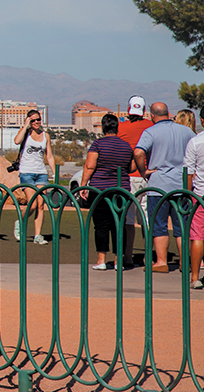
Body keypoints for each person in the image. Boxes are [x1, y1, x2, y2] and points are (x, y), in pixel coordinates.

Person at [134, 101, 195, 272]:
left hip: (158, 185)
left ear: (152, 115)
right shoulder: (186, 131)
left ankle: (161, 261)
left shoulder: (151, 131)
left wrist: (144, 171)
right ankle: (185, 261)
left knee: (159, 224)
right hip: (181, 184)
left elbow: (138, 152)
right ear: (169, 113)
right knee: (181, 225)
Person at [81, 113, 135, 270]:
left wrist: (84, 184)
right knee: (119, 224)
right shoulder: (126, 146)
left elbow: (90, 166)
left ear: (103, 128)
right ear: (117, 128)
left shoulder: (98, 144)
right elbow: (130, 167)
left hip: (100, 189)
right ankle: (119, 261)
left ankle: (101, 260)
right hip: (121, 189)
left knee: (101, 224)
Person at [119, 95, 154, 263]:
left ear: (128, 110)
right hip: (148, 176)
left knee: (128, 219)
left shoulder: (121, 128)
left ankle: (127, 256)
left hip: (129, 178)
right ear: (144, 111)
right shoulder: (151, 126)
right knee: (147, 219)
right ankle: (148, 256)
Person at [12, 109, 56, 244]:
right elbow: (16, 141)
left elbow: (49, 155)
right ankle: (20, 221)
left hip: (41, 173)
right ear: (28, 121)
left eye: (38, 119)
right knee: (32, 204)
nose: (36, 122)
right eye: (33, 120)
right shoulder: (26, 133)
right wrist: (25, 126)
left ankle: (38, 235)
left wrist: (54, 173)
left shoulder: (45, 135)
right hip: (27, 172)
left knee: (41, 204)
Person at [183, 124, 204, 290]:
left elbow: (188, 172)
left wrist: (188, 193)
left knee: (197, 235)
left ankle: (195, 277)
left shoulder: (196, 142)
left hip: (200, 195)